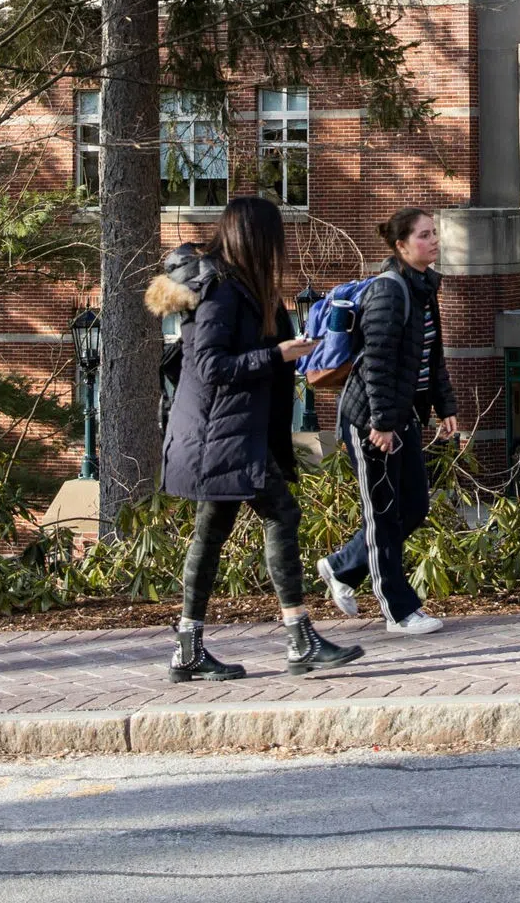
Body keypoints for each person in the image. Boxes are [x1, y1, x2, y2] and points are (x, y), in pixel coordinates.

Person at [151, 195, 363, 682]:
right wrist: (278, 355)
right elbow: (208, 365)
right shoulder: (221, 292)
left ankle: (189, 651)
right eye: (274, 237)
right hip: (216, 437)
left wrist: (299, 349)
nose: (279, 247)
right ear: (254, 237)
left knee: (212, 531)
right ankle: (297, 639)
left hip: (231, 434)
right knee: (279, 513)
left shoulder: (244, 288)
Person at [317, 207, 458, 635]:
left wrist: (445, 406)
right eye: (423, 235)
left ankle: (342, 566)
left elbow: (430, 356)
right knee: (383, 514)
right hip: (371, 422)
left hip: (403, 417)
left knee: (414, 506)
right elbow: (376, 364)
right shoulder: (388, 291)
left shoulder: (423, 288)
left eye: (434, 234)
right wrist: (380, 423)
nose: (433, 241)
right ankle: (398, 611)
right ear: (400, 246)